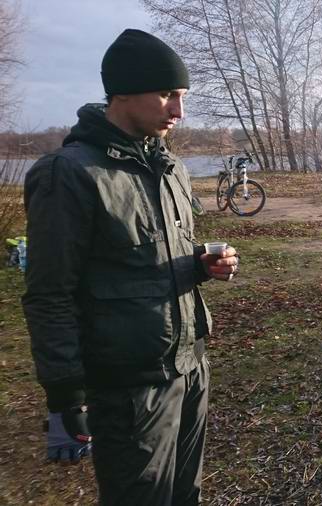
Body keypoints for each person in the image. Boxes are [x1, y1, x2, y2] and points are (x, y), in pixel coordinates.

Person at [21, 29, 239, 505]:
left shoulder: (170, 168)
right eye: (166, 94)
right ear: (121, 91)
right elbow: (49, 294)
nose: (178, 111)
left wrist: (202, 264)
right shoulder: (70, 174)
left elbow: (151, 256)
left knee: (185, 496)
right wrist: (65, 396)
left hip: (190, 368)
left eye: (181, 96)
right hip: (129, 388)